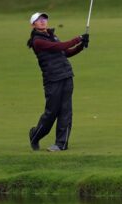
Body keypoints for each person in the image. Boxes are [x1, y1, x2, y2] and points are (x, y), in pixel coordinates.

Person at [27, 12, 89, 151]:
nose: (42, 21)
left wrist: (81, 46)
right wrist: (78, 38)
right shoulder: (37, 41)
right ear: (33, 25)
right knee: (51, 113)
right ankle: (35, 135)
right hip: (52, 80)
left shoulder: (52, 36)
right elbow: (59, 47)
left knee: (66, 111)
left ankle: (61, 144)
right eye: (38, 20)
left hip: (66, 76)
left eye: (44, 19)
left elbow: (66, 52)